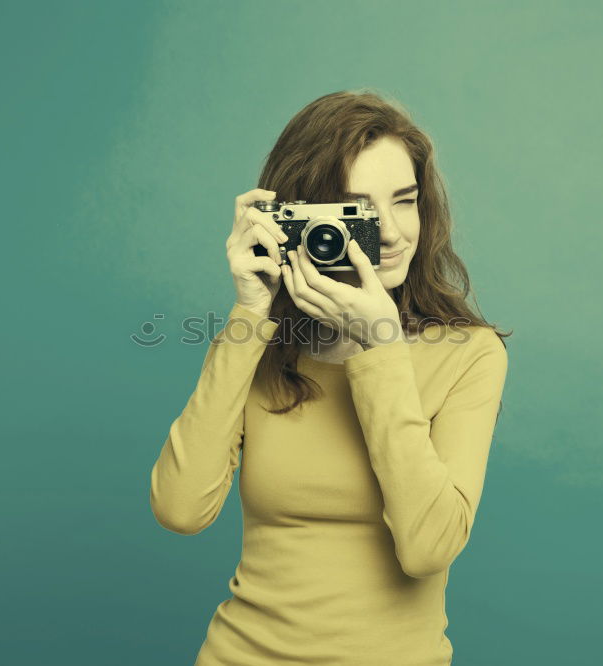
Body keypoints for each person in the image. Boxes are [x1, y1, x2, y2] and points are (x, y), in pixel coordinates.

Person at [149, 89, 511, 666]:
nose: (390, 233)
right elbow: (180, 508)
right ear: (302, 217)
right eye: (357, 210)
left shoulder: (469, 354)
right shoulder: (267, 345)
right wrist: (249, 315)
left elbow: (428, 548)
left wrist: (383, 348)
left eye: (405, 201)